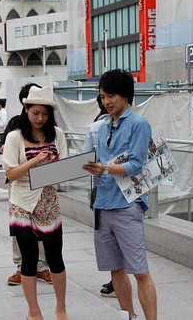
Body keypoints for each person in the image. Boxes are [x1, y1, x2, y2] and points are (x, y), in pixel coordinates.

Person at [82, 69, 157, 320]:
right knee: (115, 269)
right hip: (102, 206)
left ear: (125, 95)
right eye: (103, 96)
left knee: (140, 271)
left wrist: (104, 168)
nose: (106, 101)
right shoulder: (102, 127)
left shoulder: (139, 124)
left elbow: (136, 165)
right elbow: (99, 162)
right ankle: (130, 316)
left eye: (110, 95)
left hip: (127, 205)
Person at [3, 86, 68, 320]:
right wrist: (35, 161)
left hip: (48, 201)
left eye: (45, 113)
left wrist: (53, 166)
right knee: (29, 260)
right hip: (22, 202)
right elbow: (11, 174)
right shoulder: (15, 137)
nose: (40, 118)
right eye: (35, 113)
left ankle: (61, 309)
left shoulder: (57, 134)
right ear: (26, 109)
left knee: (55, 259)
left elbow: (63, 167)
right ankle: (34, 312)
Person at [0, 83, 52, 286]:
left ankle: (42, 266)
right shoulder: (15, 125)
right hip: (20, 183)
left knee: (46, 227)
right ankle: (21, 267)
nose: (40, 117)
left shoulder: (50, 128)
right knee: (20, 228)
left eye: (44, 112)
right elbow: (1, 147)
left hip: (44, 185)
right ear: (25, 104)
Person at [82, 95, 115, 298]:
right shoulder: (136, 124)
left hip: (102, 191)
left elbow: (86, 159)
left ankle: (116, 283)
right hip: (130, 194)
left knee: (108, 240)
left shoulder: (95, 127)